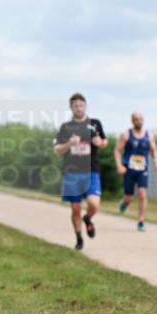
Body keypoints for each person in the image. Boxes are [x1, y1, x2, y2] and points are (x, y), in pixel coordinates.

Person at [53, 93, 107, 250]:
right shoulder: (66, 127)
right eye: (75, 106)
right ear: (71, 108)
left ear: (86, 106)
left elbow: (104, 141)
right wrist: (70, 143)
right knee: (75, 207)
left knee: (94, 203)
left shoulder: (95, 124)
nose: (79, 108)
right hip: (72, 173)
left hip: (92, 171)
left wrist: (100, 142)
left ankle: (88, 218)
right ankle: (79, 238)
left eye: (81, 105)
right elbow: (57, 150)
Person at [114, 111, 157, 231]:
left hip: (142, 170)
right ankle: (125, 203)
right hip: (129, 169)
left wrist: (156, 159)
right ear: (132, 121)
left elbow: (154, 149)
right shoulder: (126, 135)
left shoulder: (149, 135)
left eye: (141, 119)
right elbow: (117, 151)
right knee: (129, 197)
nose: (139, 121)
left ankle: (141, 222)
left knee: (142, 193)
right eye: (136, 119)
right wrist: (119, 166)